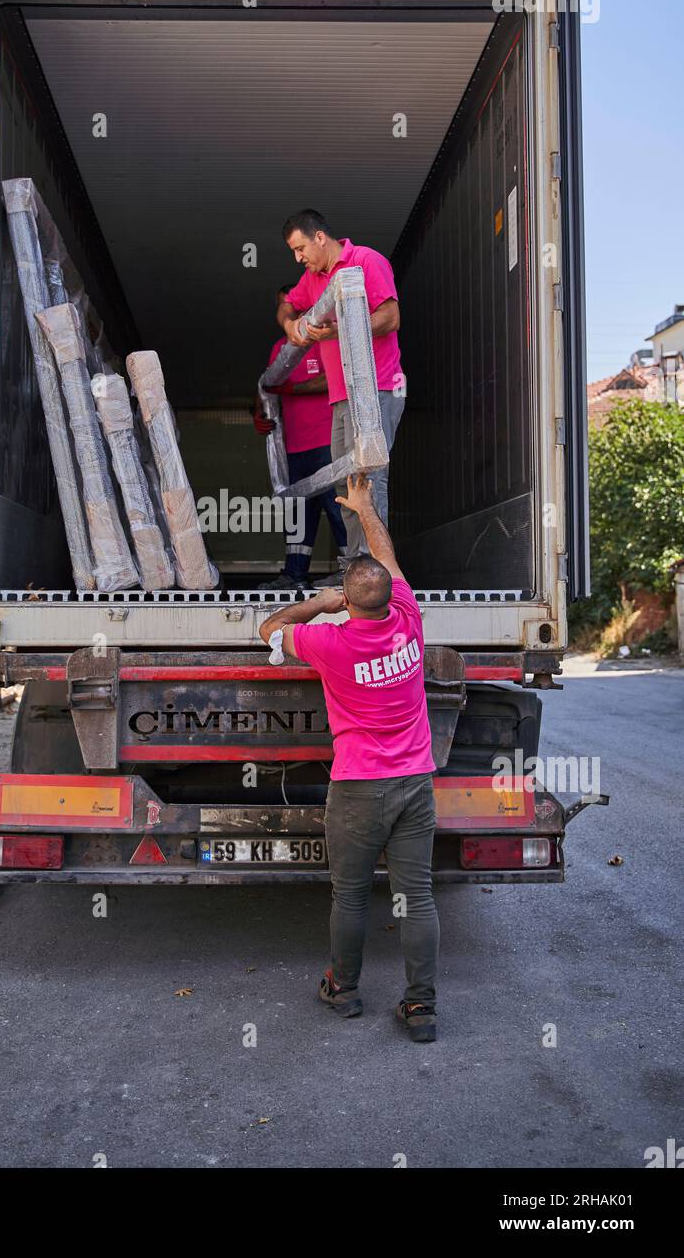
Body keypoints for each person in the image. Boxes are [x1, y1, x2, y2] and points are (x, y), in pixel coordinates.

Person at [259, 472, 439, 1043]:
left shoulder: (330, 642)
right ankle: (420, 1008)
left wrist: (320, 602)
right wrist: (364, 510)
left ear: (350, 600)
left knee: (352, 895)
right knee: (417, 897)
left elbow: (268, 630)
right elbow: (389, 564)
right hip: (415, 783)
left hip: (360, 787)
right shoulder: (409, 620)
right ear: (389, 597)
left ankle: (345, 990)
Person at [277, 209, 406, 577]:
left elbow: (391, 317)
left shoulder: (366, 260)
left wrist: (337, 330)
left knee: (368, 477)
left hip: (377, 387)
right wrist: (290, 324)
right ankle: (355, 566)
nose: (298, 257)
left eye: (300, 248)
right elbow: (287, 303)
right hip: (341, 397)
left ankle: (377, 571)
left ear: (320, 238)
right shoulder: (312, 278)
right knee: (345, 481)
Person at [253, 287, 346, 588]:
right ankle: (294, 574)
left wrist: (292, 391)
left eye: (291, 305)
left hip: (326, 441)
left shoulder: (323, 339)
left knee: (338, 506)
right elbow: (267, 385)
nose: (287, 312)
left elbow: (334, 378)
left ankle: (351, 570)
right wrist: (259, 413)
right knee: (297, 511)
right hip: (294, 446)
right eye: (281, 307)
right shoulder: (280, 347)